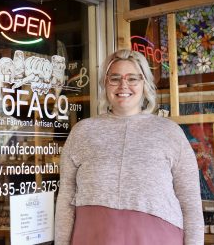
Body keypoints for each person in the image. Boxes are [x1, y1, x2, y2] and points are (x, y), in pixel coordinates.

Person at [54, 49, 204, 245]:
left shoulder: (169, 132)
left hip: (157, 238)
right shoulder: (82, 132)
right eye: (115, 78)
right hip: (92, 236)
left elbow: (190, 201)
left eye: (132, 78)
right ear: (105, 84)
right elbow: (66, 196)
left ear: (144, 84)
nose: (123, 85)